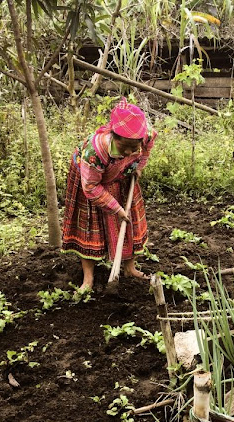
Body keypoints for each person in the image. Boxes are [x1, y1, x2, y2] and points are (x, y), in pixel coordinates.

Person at [61, 97, 157, 290]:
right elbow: (91, 187)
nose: (130, 151)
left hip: (123, 174)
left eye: (134, 147)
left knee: (132, 221)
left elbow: (146, 147)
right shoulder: (94, 153)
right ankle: (88, 279)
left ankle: (130, 268)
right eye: (124, 147)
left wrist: (139, 167)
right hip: (91, 182)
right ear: (114, 137)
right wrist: (116, 208)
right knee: (89, 228)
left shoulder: (144, 135)